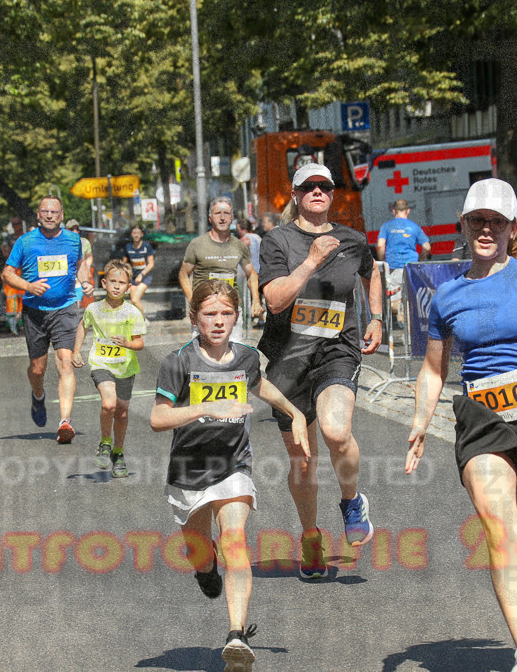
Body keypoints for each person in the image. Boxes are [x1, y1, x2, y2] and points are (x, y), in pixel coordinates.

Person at [406, 178, 517, 672]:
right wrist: (420, 421)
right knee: (500, 531)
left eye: (496, 222)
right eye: (477, 221)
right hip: (482, 418)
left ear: (510, 228)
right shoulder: (446, 295)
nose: (486, 230)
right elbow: (434, 369)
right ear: (464, 226)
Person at [150, 280, 309, 672]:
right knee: (200, 551)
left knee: (234, 539)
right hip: (188, 472)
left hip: (233, 464)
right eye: (209, 314)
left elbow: (260, 385)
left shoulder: (246, 358)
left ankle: (236, 634)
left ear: (237, 317)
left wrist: (295, 412)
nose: (218, 322)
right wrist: (206, 410)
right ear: (194, 318)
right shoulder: (179, 362)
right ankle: (205, 569)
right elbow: (157, 418)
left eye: (225, 314)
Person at [257, 162, 384, 577]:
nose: (317, 192)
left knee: (335, 430)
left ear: (332, 194)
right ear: (294, 196)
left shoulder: (351, 239)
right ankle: (310, 535)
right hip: (288, 361)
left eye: (324, 186)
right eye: (308, 186)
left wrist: (378, 317)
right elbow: (275, 300)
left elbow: (371, 272)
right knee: (303, 461)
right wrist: (310, 261)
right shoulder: (277, 241)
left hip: (337, 349)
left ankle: (351, 500)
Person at [2, 196, 93, 443]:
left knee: (65, 361)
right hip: (35, 311)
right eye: (45, 211)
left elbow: (79, 264)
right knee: (37, 368)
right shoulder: (26, 241)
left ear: (62, 215)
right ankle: (38, 395)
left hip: (65, 308)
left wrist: (84, 281)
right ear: (39, 215)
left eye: (54, 211)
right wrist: (29, 286)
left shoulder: (74, 240)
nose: (50, 215)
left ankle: (65, 421)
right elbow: (7, 274)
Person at [72, 260, 146, 478]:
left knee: (121, 413)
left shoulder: (132, 312)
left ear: (128, 287)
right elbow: (83, 327)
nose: (116, 286)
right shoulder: (93, 309)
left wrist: (127, 343)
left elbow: (139, 343)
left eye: (121, 283)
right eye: (112, 281)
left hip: (125, 367)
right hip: (101, 364)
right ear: (103, 283)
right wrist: (76, 351)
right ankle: (105, 443)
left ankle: (119, 453)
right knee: (109, 404)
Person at [178, 197, 263, 341]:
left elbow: (252, 274)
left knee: (233, 356)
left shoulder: (239, 245)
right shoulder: (197, 244)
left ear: (232, 218)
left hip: (230, 310)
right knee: (205, 358)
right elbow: (183, 274)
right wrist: (192, 300)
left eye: (227, 214)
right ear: (210, 218)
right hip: (205, 310)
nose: (222, 218)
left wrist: (256, 300)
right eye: (218, 213)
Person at [376, 198, 430, 326]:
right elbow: (427, 247)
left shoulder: (387, 226)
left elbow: (380, 245)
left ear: (394, 211)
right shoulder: (414, 227)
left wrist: (383, 260)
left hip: (394, 266)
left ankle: (400, 312)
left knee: (393, 299)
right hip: (412, 267)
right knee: (410, 297)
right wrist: (421, 258)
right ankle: (409, 330)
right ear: (408, 211)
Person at [123, 223, 155, 316]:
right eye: (134, 233)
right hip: (133, 277)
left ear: (142, 234)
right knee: (134, 303)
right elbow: (124, 263)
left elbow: (151, 264)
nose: (136, 235)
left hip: (145, 277)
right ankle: (140, 320)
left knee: (135, 300)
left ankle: (143, 320)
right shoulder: (128, 247)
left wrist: (142, 274)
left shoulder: (146, 246)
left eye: (138, 232)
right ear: (131, 234)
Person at [1, 217, 26, 334]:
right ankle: (12, 321)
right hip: (12, 270)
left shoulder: (26, 237)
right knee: (11, 297)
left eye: (18, 223)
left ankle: (21, 321)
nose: (16, 226)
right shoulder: (8, 239)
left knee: (25, 296)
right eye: (14, 224)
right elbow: (5, 252)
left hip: (24, 271)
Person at [66, 219, 94, 309]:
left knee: (77, 302)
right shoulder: (62, 243)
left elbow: (89, 257)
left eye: (77, 229)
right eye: (72, 229)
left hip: (80, 276)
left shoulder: (84, 242)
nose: (75, 231)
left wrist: (87, 268)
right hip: (67, 277)